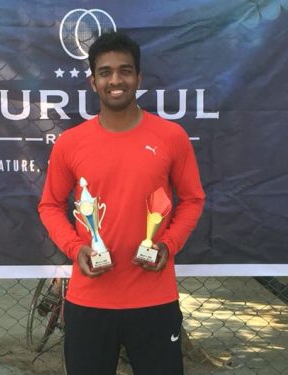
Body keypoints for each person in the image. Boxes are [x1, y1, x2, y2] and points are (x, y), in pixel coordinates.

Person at [38, 31, 205, 375]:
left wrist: (168, 245)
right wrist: (75, 248)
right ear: (93, 81)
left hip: (154, 300)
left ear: (138, 78)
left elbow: (192, 199)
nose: (116, 80)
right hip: (89, 300)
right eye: (105, 72)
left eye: (125, 71)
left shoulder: (171, 137)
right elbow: (50, 205)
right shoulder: (71, 143)